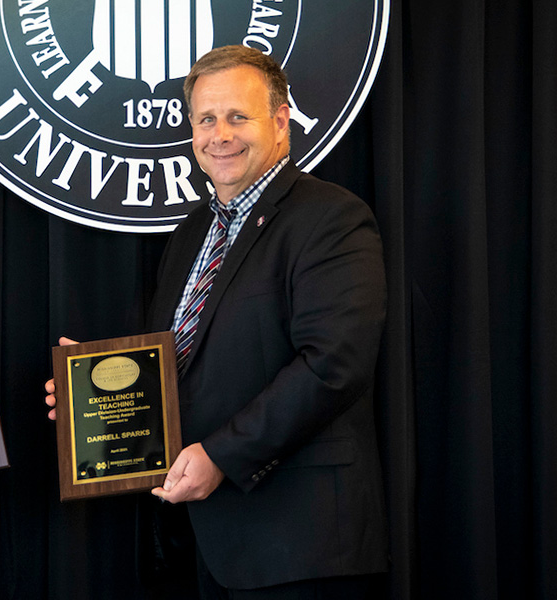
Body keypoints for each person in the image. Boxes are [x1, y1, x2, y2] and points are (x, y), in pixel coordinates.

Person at [45, 46, 389, 598]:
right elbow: (185, 360)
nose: (219, 134)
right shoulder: (194, 230)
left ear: (280, 121)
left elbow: (333, 365)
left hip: (299, 544)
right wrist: (95, 394)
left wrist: (222, 457)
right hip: (200, 541)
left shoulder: (331, 217)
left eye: (237, 116)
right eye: (206, 119)